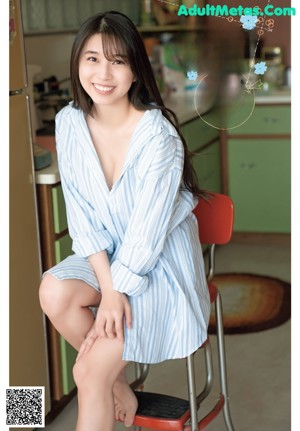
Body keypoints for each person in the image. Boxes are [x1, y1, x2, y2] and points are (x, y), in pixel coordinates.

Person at [39, 10, 210, 431]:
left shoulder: (159, 137)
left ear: (136, 70)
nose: (103, 72)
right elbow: (81, 218)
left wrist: (118, 293)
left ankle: (104, 378)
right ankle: (117, 382)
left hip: (158, 265)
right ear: (77, 63)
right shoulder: (70, 123)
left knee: (86, 374)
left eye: (117, 60)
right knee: (53, 290)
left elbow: (146, 238)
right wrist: (110, 288)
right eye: (92, 58)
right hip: (109, 259)